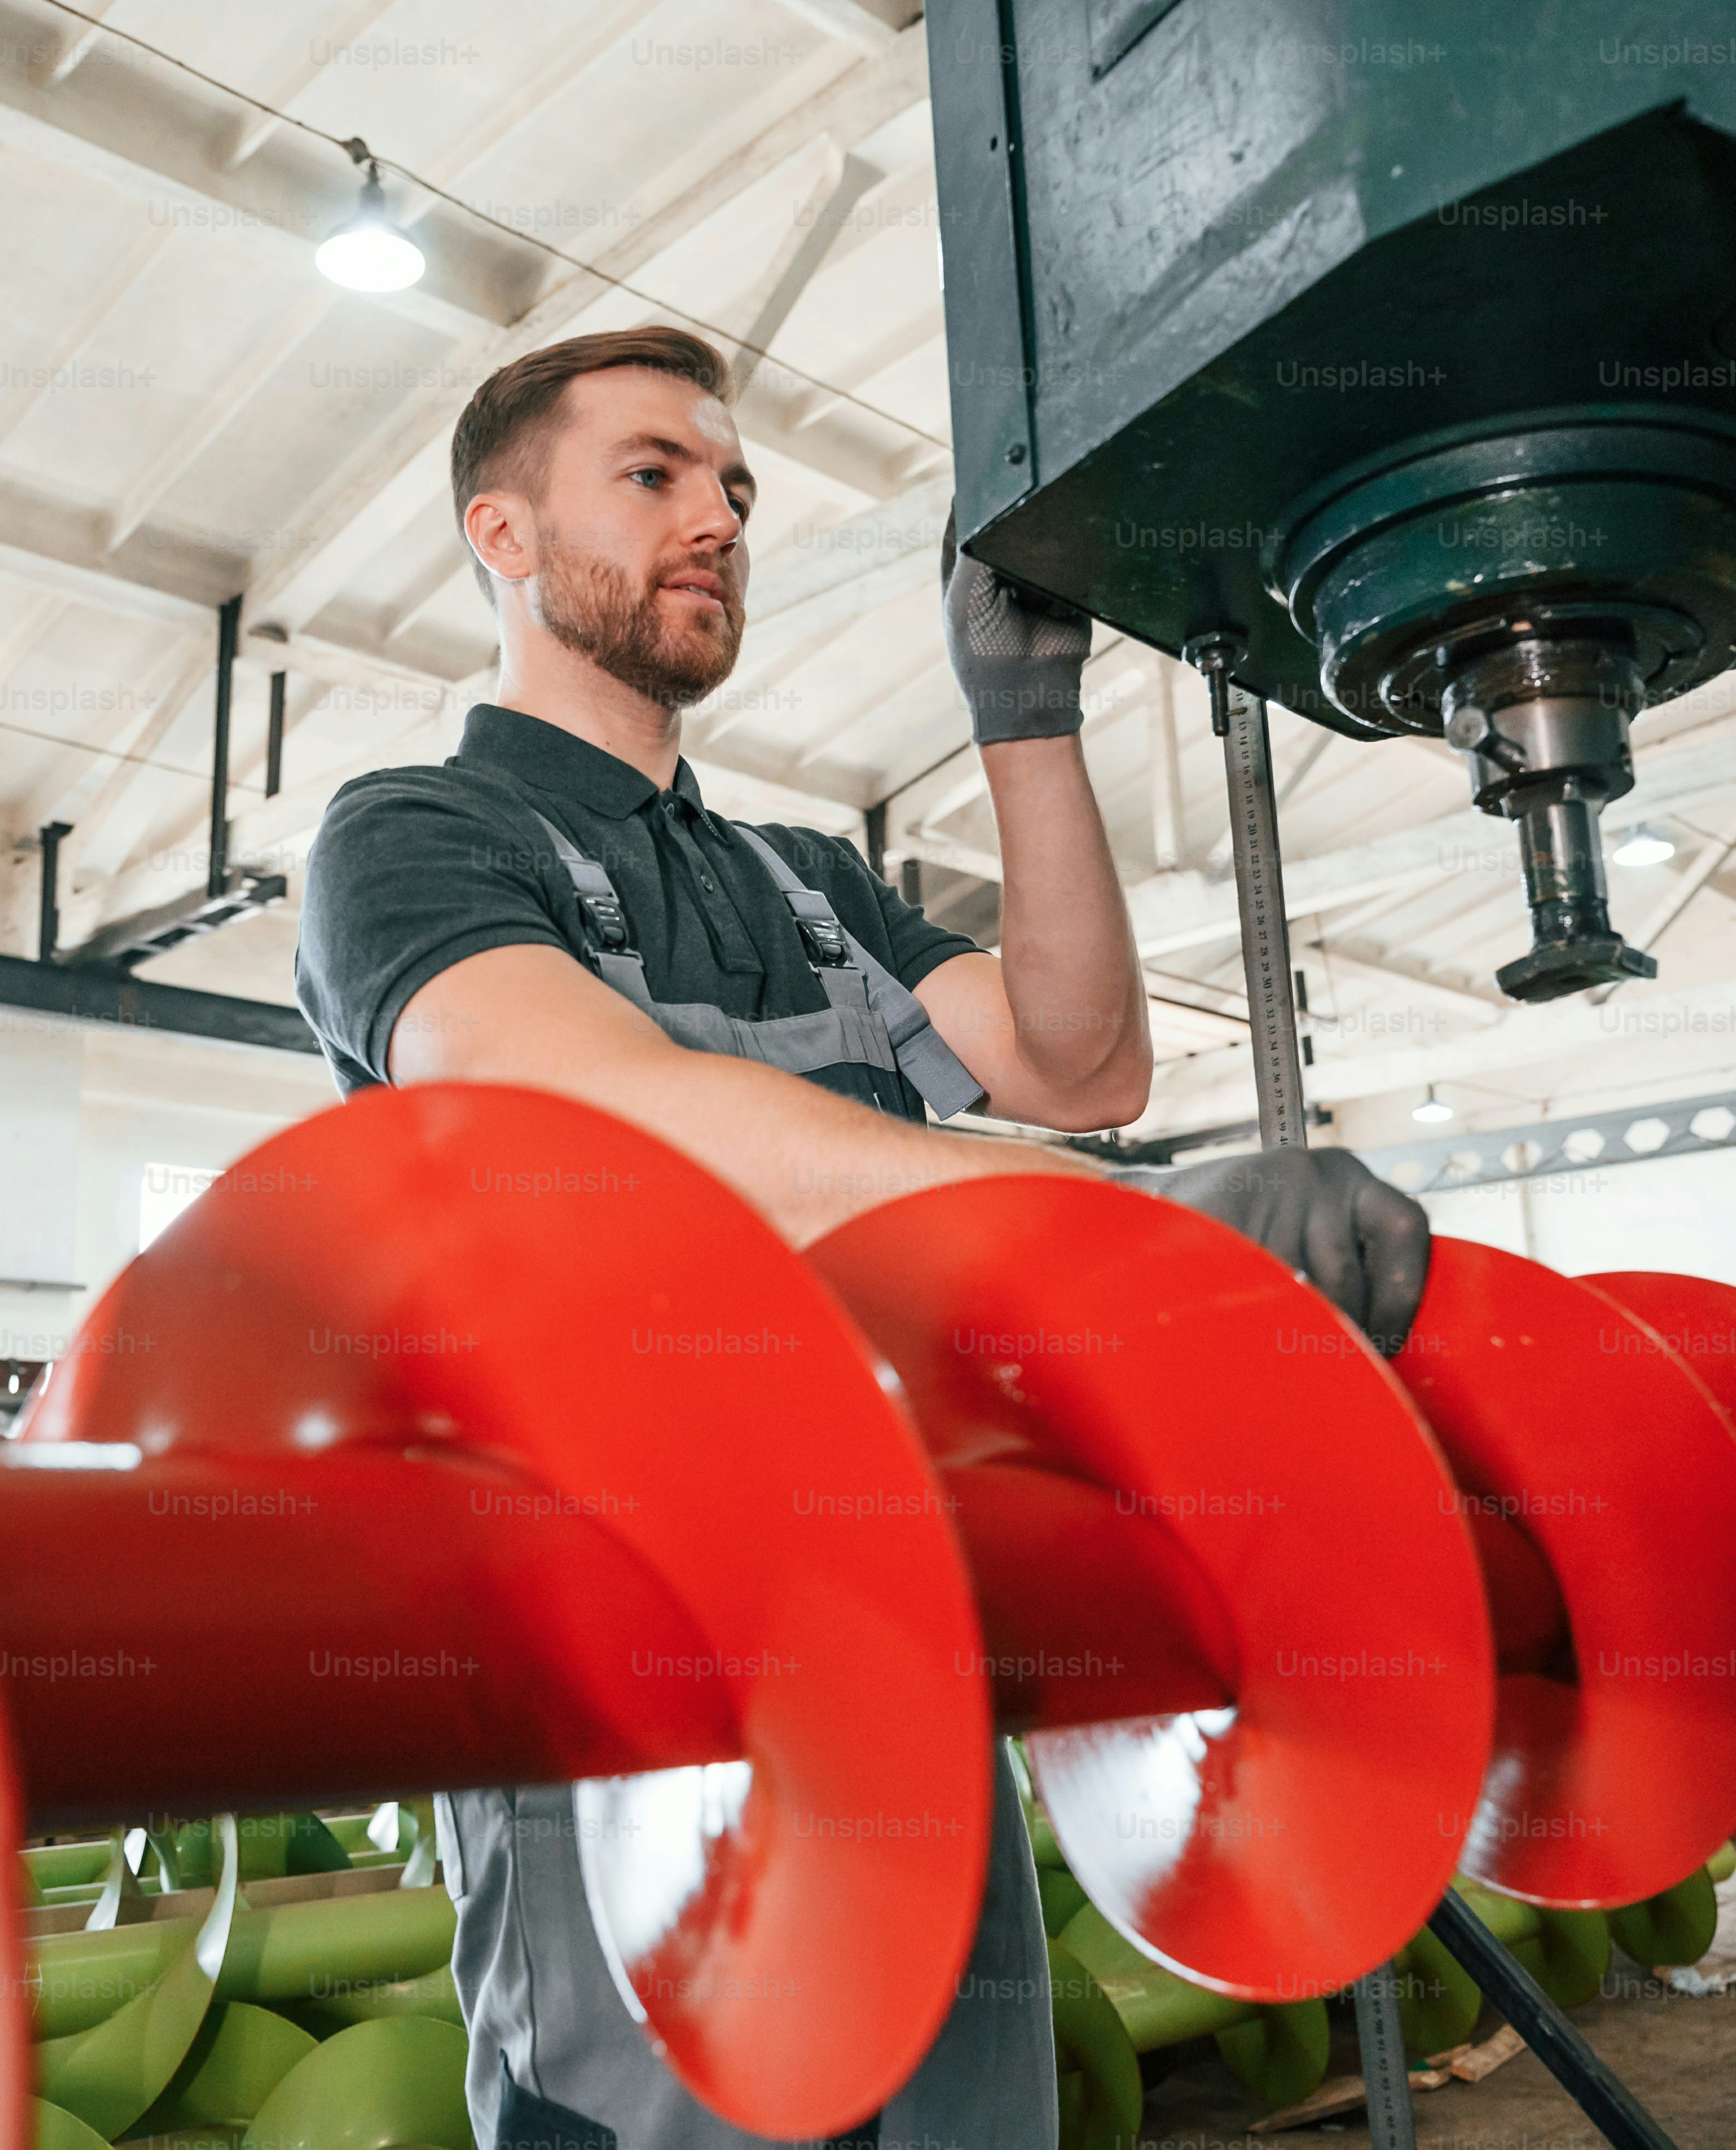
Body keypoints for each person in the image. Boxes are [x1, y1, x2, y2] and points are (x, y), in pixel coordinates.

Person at [294, 325, 1429, 2149]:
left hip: (905, 1645)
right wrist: (1142, 1239)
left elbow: (1081, 1058)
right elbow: (612, 1123)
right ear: (501, 538)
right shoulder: (413, 836)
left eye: (734, 488)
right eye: (653, 475)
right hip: (620, 1693)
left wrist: (1023, 722)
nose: (718, 518)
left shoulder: (804, 884)